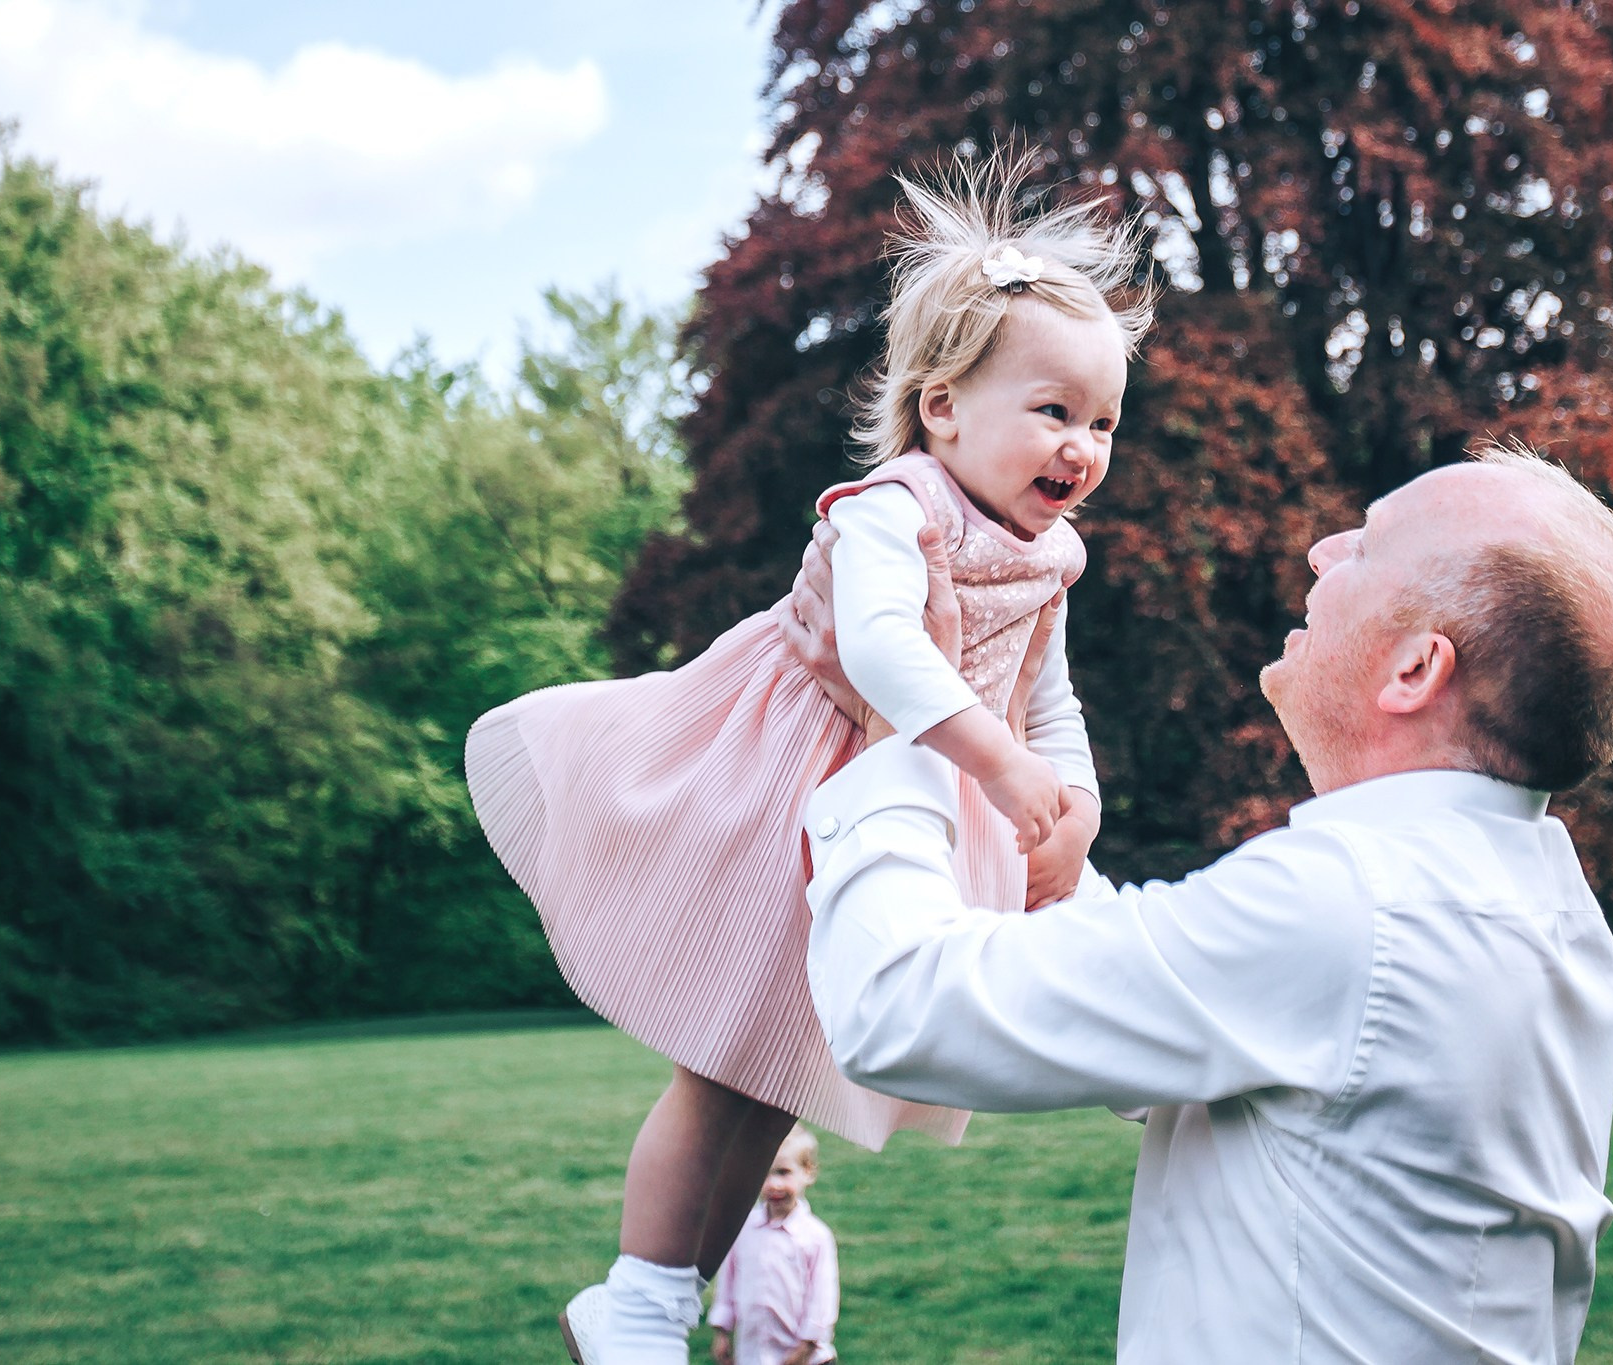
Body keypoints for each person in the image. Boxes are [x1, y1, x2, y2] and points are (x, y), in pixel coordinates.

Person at [462, 148, 1155, 1365]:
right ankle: (633, 1298)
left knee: (771, 1078)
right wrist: (997, 772)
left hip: (915, 800)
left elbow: (1051, 695)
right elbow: (881, 651)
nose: (1082, 446)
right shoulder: (894, 505)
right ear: (943, 407)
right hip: (787, 783)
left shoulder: (1051, 557)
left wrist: (1075, 803)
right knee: (722, 1066)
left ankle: (1170, 1061)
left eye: (1101, 421)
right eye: (1053, 411)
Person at [781, 442, 1613, 1364]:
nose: (1322, 549)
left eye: (1366, 545)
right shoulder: (1537, 901)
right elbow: (1179, 1006)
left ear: (1415, 670)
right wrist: (1002, 776)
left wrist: (896, 738)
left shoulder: (1347, 904)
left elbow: (899, 1008)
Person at [707, 1126, 840, 1365]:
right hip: (754, 1354)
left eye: (783, 1172)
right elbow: (727, 1282)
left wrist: (805, 1347)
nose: (773, 1184)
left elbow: (822, 1298)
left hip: (804, 1357)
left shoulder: (815, 1236)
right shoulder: (743, 1228)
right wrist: (722, 1331)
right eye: (764, 1173)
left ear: (808, 1172)